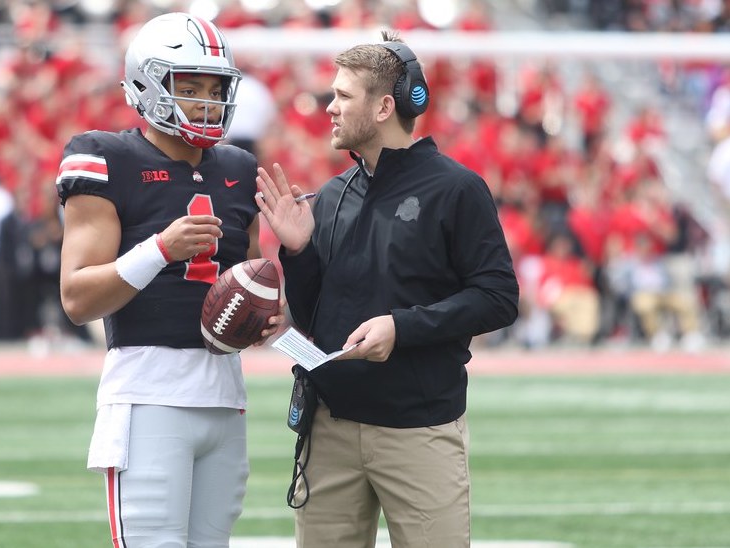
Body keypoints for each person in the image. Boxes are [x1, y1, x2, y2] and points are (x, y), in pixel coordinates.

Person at [256, 31, 519, 548]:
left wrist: (402, 327)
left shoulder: (456, 189)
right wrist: (298, 252)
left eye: (342, 97)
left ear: (383, 107)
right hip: (328, 427)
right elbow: (315, 320)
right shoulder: (332, 195)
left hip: (417, 429)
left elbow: (498, 296)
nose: (329, 108)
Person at [56, 13, 281, 548]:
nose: (207, 100)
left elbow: (247, 281)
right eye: (190, 86)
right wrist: (158, 250)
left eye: (215, 87)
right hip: (147, 396)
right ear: (148, 83)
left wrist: (271, 312)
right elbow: (77, 297)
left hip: (225, 398)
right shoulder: (105, 157)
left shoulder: (239, 168)